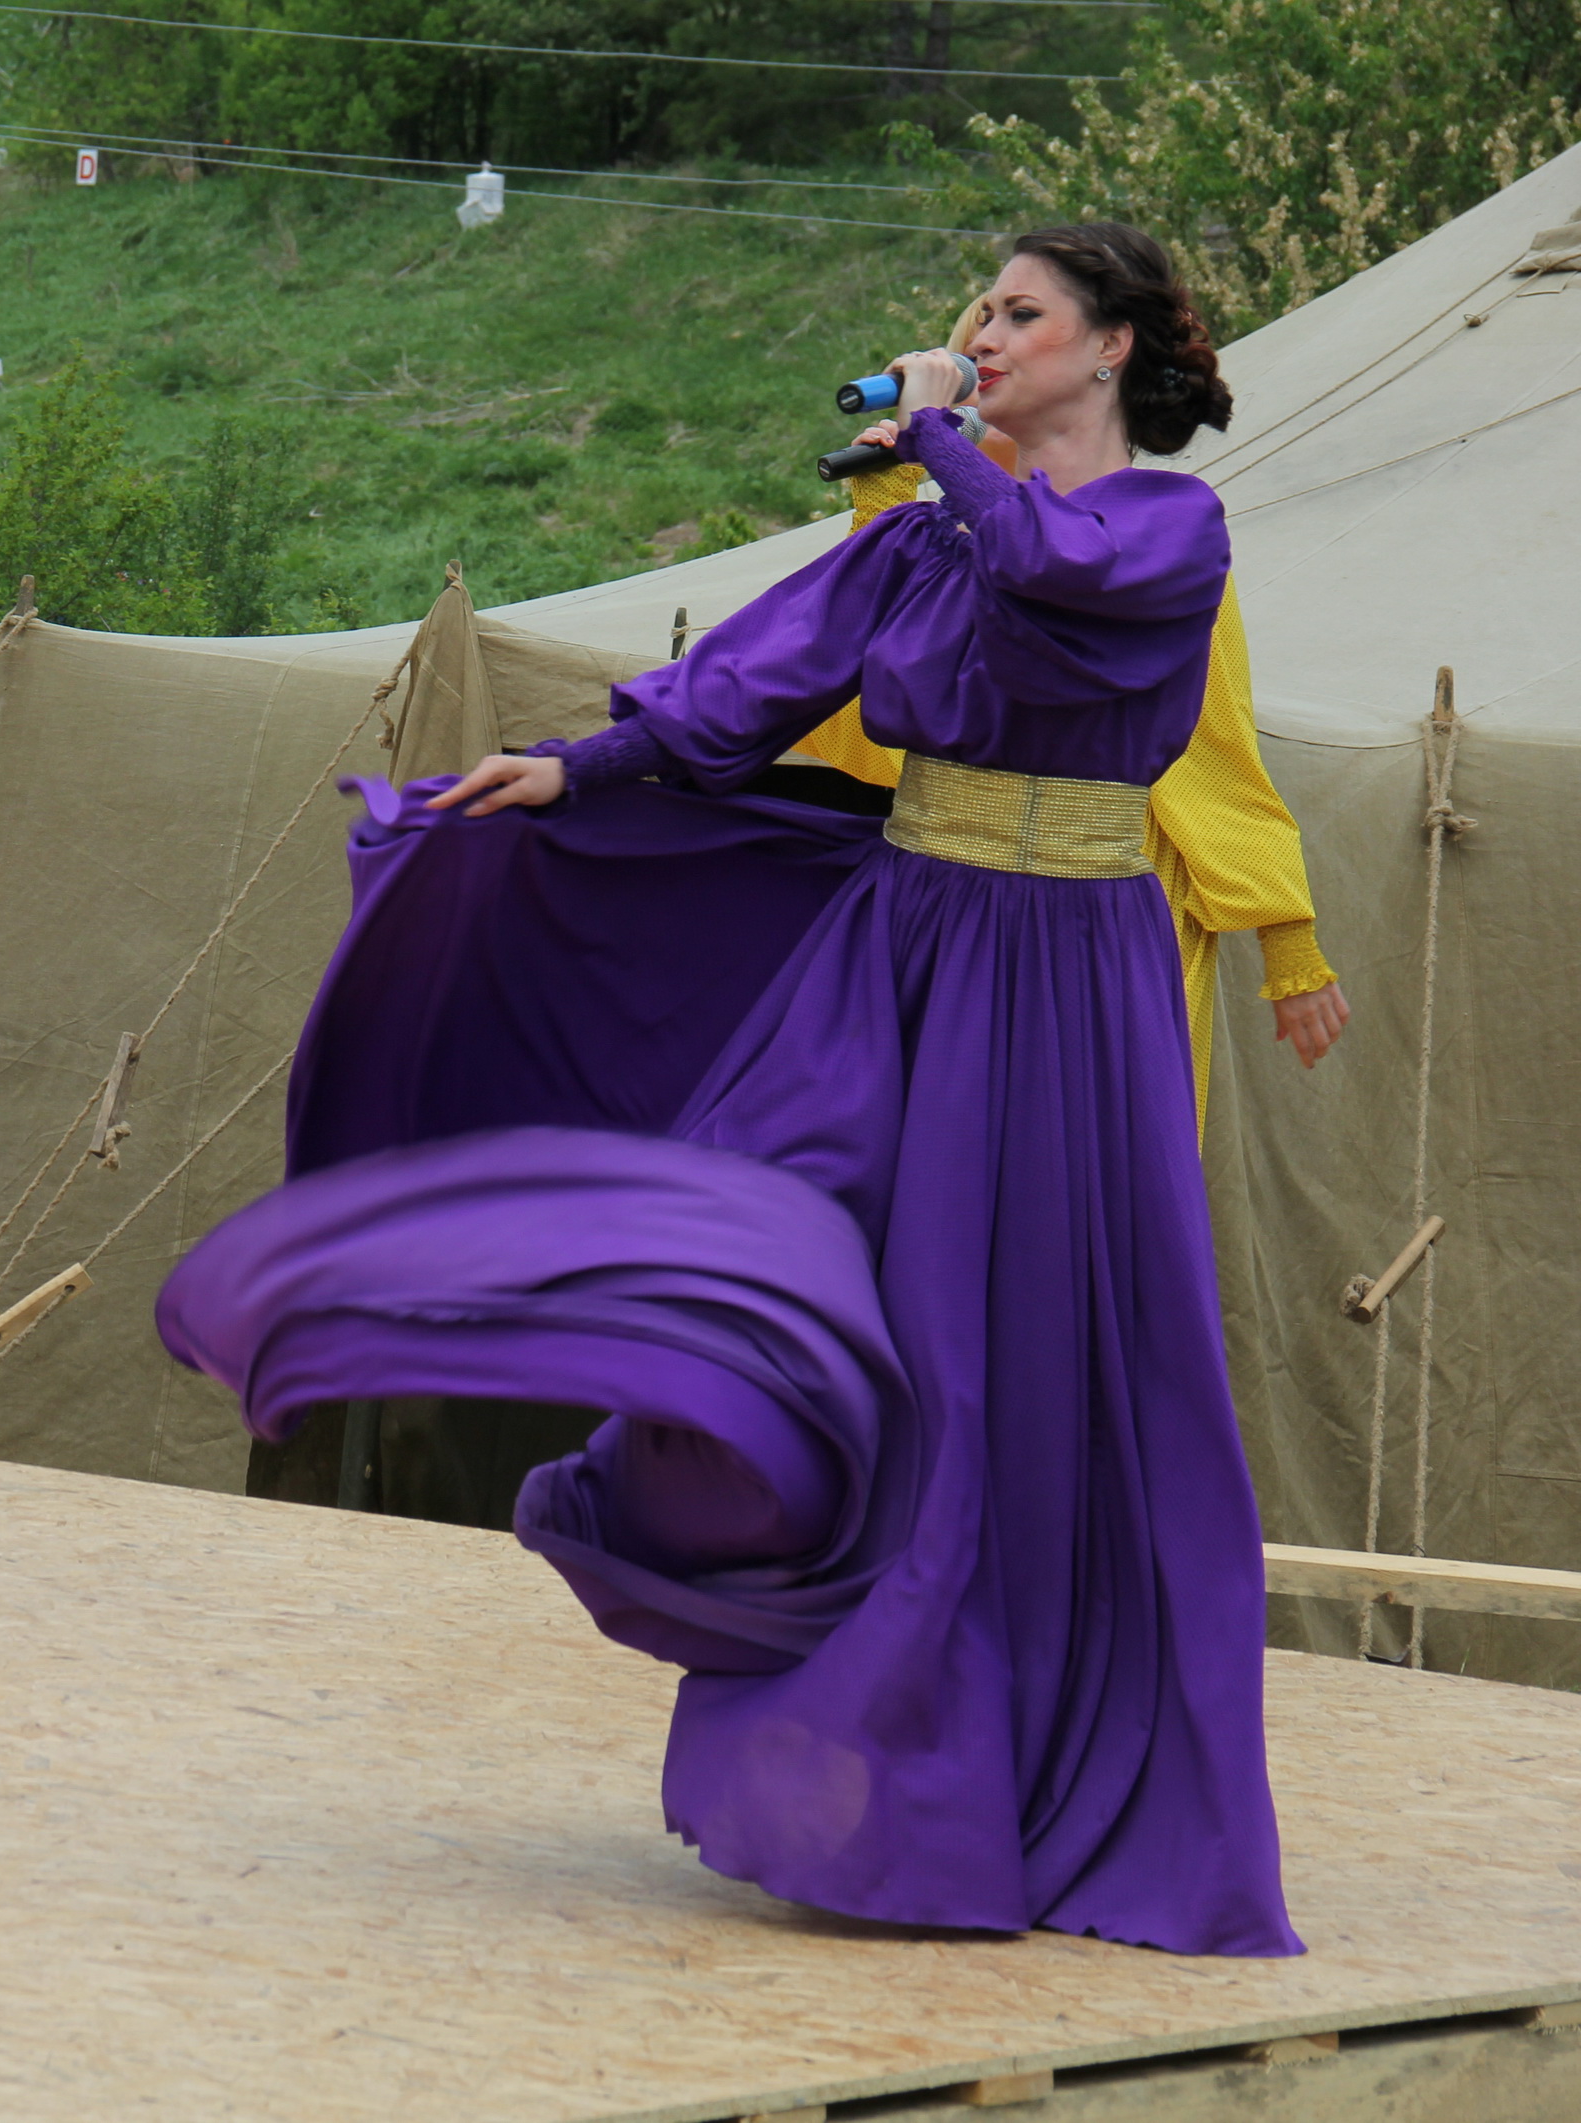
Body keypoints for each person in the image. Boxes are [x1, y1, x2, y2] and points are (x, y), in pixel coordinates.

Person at [161, 223, 1302, 1956]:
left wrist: (933, 427)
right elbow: (749, 688)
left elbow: (1050, 559)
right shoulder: (923, 538)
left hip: (1067, 975)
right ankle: (816, 1668)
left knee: (1029, 1360)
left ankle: (1023, 1780)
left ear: (1111, 347)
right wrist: (574, 766)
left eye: (1017, 314)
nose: (981, 334)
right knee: (809, 1273)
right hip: (903, 947)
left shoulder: (1164, 526)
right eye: (974, 314)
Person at [793, 297, 1350, 1127]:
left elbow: (1216, 738)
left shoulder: (1150, 535)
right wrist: (884, 507)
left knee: (1098, 1143)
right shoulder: (938, 533)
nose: (985, 362)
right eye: (973, 356)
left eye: (1010, 339)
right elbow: (865, 700)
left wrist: (1285, 931)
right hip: (950, 896)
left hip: (1112, 893)